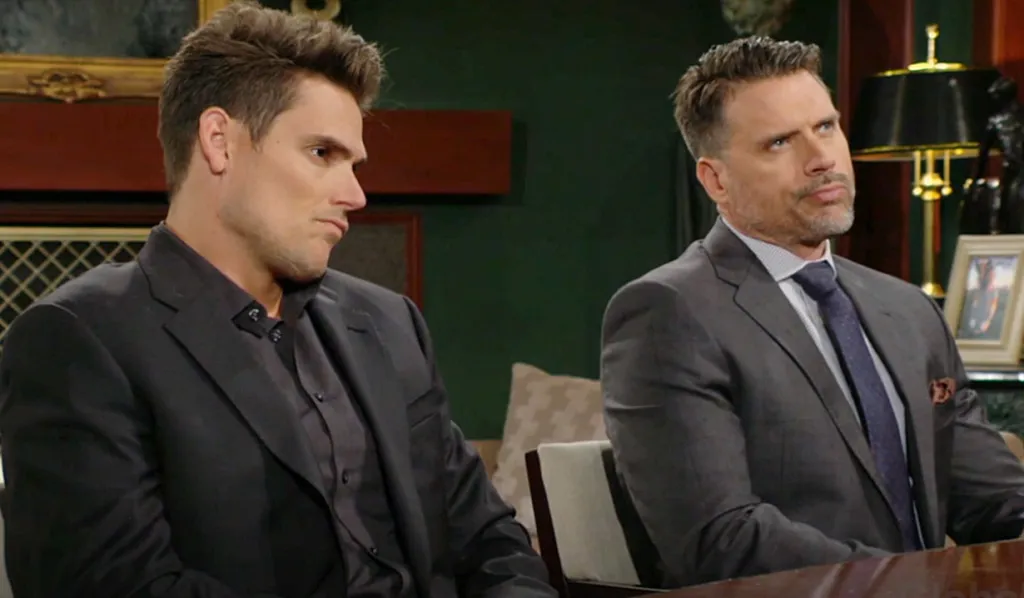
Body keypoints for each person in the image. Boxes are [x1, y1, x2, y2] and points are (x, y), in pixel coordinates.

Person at [0, 3, 555, 597]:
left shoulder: (389, 323)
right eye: (322, 154)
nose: (356, 194)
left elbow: (489, 542)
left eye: (355, 164)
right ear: (219, 142)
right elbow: (121, 585)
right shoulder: (79, 339)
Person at [600, 36, 1024, 589]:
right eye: (779, 142)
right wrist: (911, 584)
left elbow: (992, 498)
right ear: (716, 179)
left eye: (826, 127)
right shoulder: (667, 312)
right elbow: (718, 539)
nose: (821, 158)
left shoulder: (909, 309)